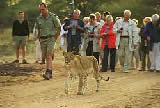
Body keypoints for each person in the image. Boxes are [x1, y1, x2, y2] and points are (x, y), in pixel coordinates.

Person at [35, 3, 61, 80]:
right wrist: (39, 38)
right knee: (46, 56)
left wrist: (55, 38)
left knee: (48, 55)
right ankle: (50, 72)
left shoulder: (53, 17)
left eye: (43, 9)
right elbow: (38, 29)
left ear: (46, 8)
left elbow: (59, 28)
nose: (41, 11)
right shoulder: (38, 18)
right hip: (42, 39)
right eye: (40, 10)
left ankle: (48, 73)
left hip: (51, 38)